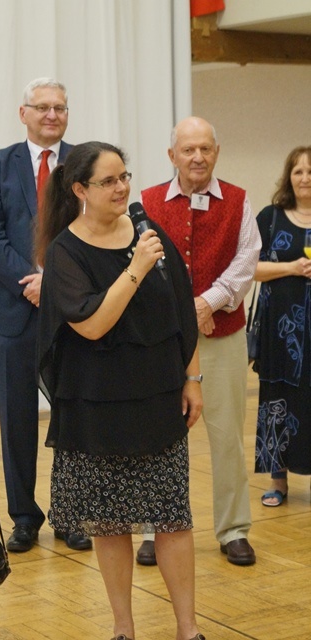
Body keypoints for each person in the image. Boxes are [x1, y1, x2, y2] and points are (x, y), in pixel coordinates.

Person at [36, 141, 206, 640]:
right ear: (80, 190)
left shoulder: (150, 234)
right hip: (98, 405)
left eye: (125, 176)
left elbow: (182, 310)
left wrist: (192, 378)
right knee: (110, 525)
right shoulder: (65, 251)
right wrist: (134, 269)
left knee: (173, 517)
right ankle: (124, 628)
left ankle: (188, 629)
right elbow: (91, 324)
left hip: (157, 396)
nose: (122, 188)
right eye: (109, 181)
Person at [137, 116, 261, 567]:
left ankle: (233, 530)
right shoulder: (147, 202)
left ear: (216, 151)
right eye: (188, 149)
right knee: (160, 436)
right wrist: (184, 313)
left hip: (223, 334)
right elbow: (141, 263)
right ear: (172, 156)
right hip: (165, 341)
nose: (197, 157)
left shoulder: (239, 201)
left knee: (228, 436)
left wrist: (208, 303)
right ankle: (154, 528)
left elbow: (247, 261)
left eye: (205, 148)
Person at [0, 77, 91, 553]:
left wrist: (56, 282)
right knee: (17, 419)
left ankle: (70, 516)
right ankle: (24, 517)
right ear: (23, 113)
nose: (51, 115)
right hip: (12, 310)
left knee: (72, 417)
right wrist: (32, 280)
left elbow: (96, 226)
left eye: (59, 107)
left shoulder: (86, 161)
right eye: (42, 107)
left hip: (74, 311)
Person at [254, 146, 311, 506]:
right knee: (278, 397)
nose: (305, 178)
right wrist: (291, 268)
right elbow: (249, 269)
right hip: (280, 329)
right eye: (299, 172)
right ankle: (278, 481)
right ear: (289, 177)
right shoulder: (270, 217)